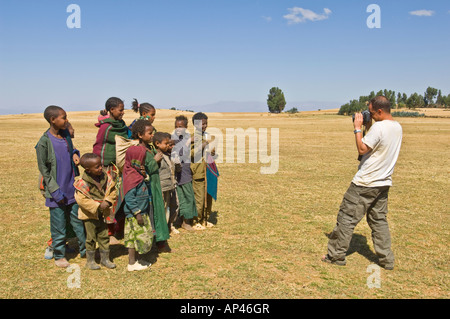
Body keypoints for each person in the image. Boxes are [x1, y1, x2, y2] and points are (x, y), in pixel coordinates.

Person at [322, 96, 403, 270]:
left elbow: (362, 149)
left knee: (346, 218)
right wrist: (368, 127)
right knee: (379, 221)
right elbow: (375, 147)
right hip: (383, 183)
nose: (369, 114)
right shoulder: (397, 127)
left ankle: (335, 256)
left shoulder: (379, 128)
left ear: (379, 111)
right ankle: (386, 259)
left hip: (365, 183)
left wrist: (357, 129)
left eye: (371, 112)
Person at [35, 105, 86, 268]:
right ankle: (59, 255)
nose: (66, 120)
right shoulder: (44, 142)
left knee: (77, 221)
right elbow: (44, 170)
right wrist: (55, 191)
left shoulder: (65, 136)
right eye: (63, 117)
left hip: (71, 189)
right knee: (58, 225)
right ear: (53, 120)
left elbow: (71, 151)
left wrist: (76, 154)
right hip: (56, 192)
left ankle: (86, 251)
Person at [119, 123, 156, 271]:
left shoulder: (137, 174)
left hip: (141, 211)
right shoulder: (130, 177)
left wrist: (145, 174)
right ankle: (133, 262)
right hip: (135, 214)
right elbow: (129, 197)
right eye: (139, 161)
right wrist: (137, 213)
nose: (141, 163)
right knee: (135, 238)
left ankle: (136, 261)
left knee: (137, 237)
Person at [92, 97, 130, 244]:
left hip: (120, 166)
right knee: (109, 197)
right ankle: (109, 232)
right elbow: (98, 146)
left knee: (121, 196)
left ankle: (119, 226)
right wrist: (99, 167)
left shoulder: (121, 125)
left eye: (123, 109)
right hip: (107, 167)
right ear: (111, 110)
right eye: (120, 110)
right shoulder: (106, 128)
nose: (123, 112)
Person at [74, 153, 117, 270]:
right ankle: (90, 261)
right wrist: (97, 205)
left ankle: (105, 259)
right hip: (90, 215)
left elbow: (112, 190)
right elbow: (82, 200)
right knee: (91, 238)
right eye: (97, 167)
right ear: (88, 170)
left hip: (103, 214)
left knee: (104, 236)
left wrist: (108, 201)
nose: (100, 168)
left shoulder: (106, 178)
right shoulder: (82, 183)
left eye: (101, 165)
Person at [171, 115, 198, 231]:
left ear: (186, 127)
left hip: (185, 173)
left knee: (188, 196)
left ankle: (187, 221)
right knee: (180, 197)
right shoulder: (173, 139)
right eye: (176, 126)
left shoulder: (187, 137)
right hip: (177, 174)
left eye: (181, 127)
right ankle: (181, 220)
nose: (178, 129)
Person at [190, 112, 215, 229]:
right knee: (199, 198)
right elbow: (191, 154)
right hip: (198, 171)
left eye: (206, 123)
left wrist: (212, 153)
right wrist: (202, 146)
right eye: (202, 124)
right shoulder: (192, 138)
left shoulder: (206, 136)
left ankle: (205, 218)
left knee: (207, 196)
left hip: (207, 171)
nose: (204, 126)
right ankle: (196, 221)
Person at [151, 132, 173, 252]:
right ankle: (160, 241)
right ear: (157, 144)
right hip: (161, 188)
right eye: (166, 143)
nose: (168, 145)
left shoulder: (165, 154)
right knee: (161, 213)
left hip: (167, 187)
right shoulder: (157, 156)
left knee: (166, 211)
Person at [157, 132, 180, 235]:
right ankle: (164, 228)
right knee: (164, 207)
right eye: (168, 144)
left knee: (175, 205)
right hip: (163, 187)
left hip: (172, 185)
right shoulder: (159, 156)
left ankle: (170, 225)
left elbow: (177, 169)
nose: (170, 146)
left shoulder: (171, 155)